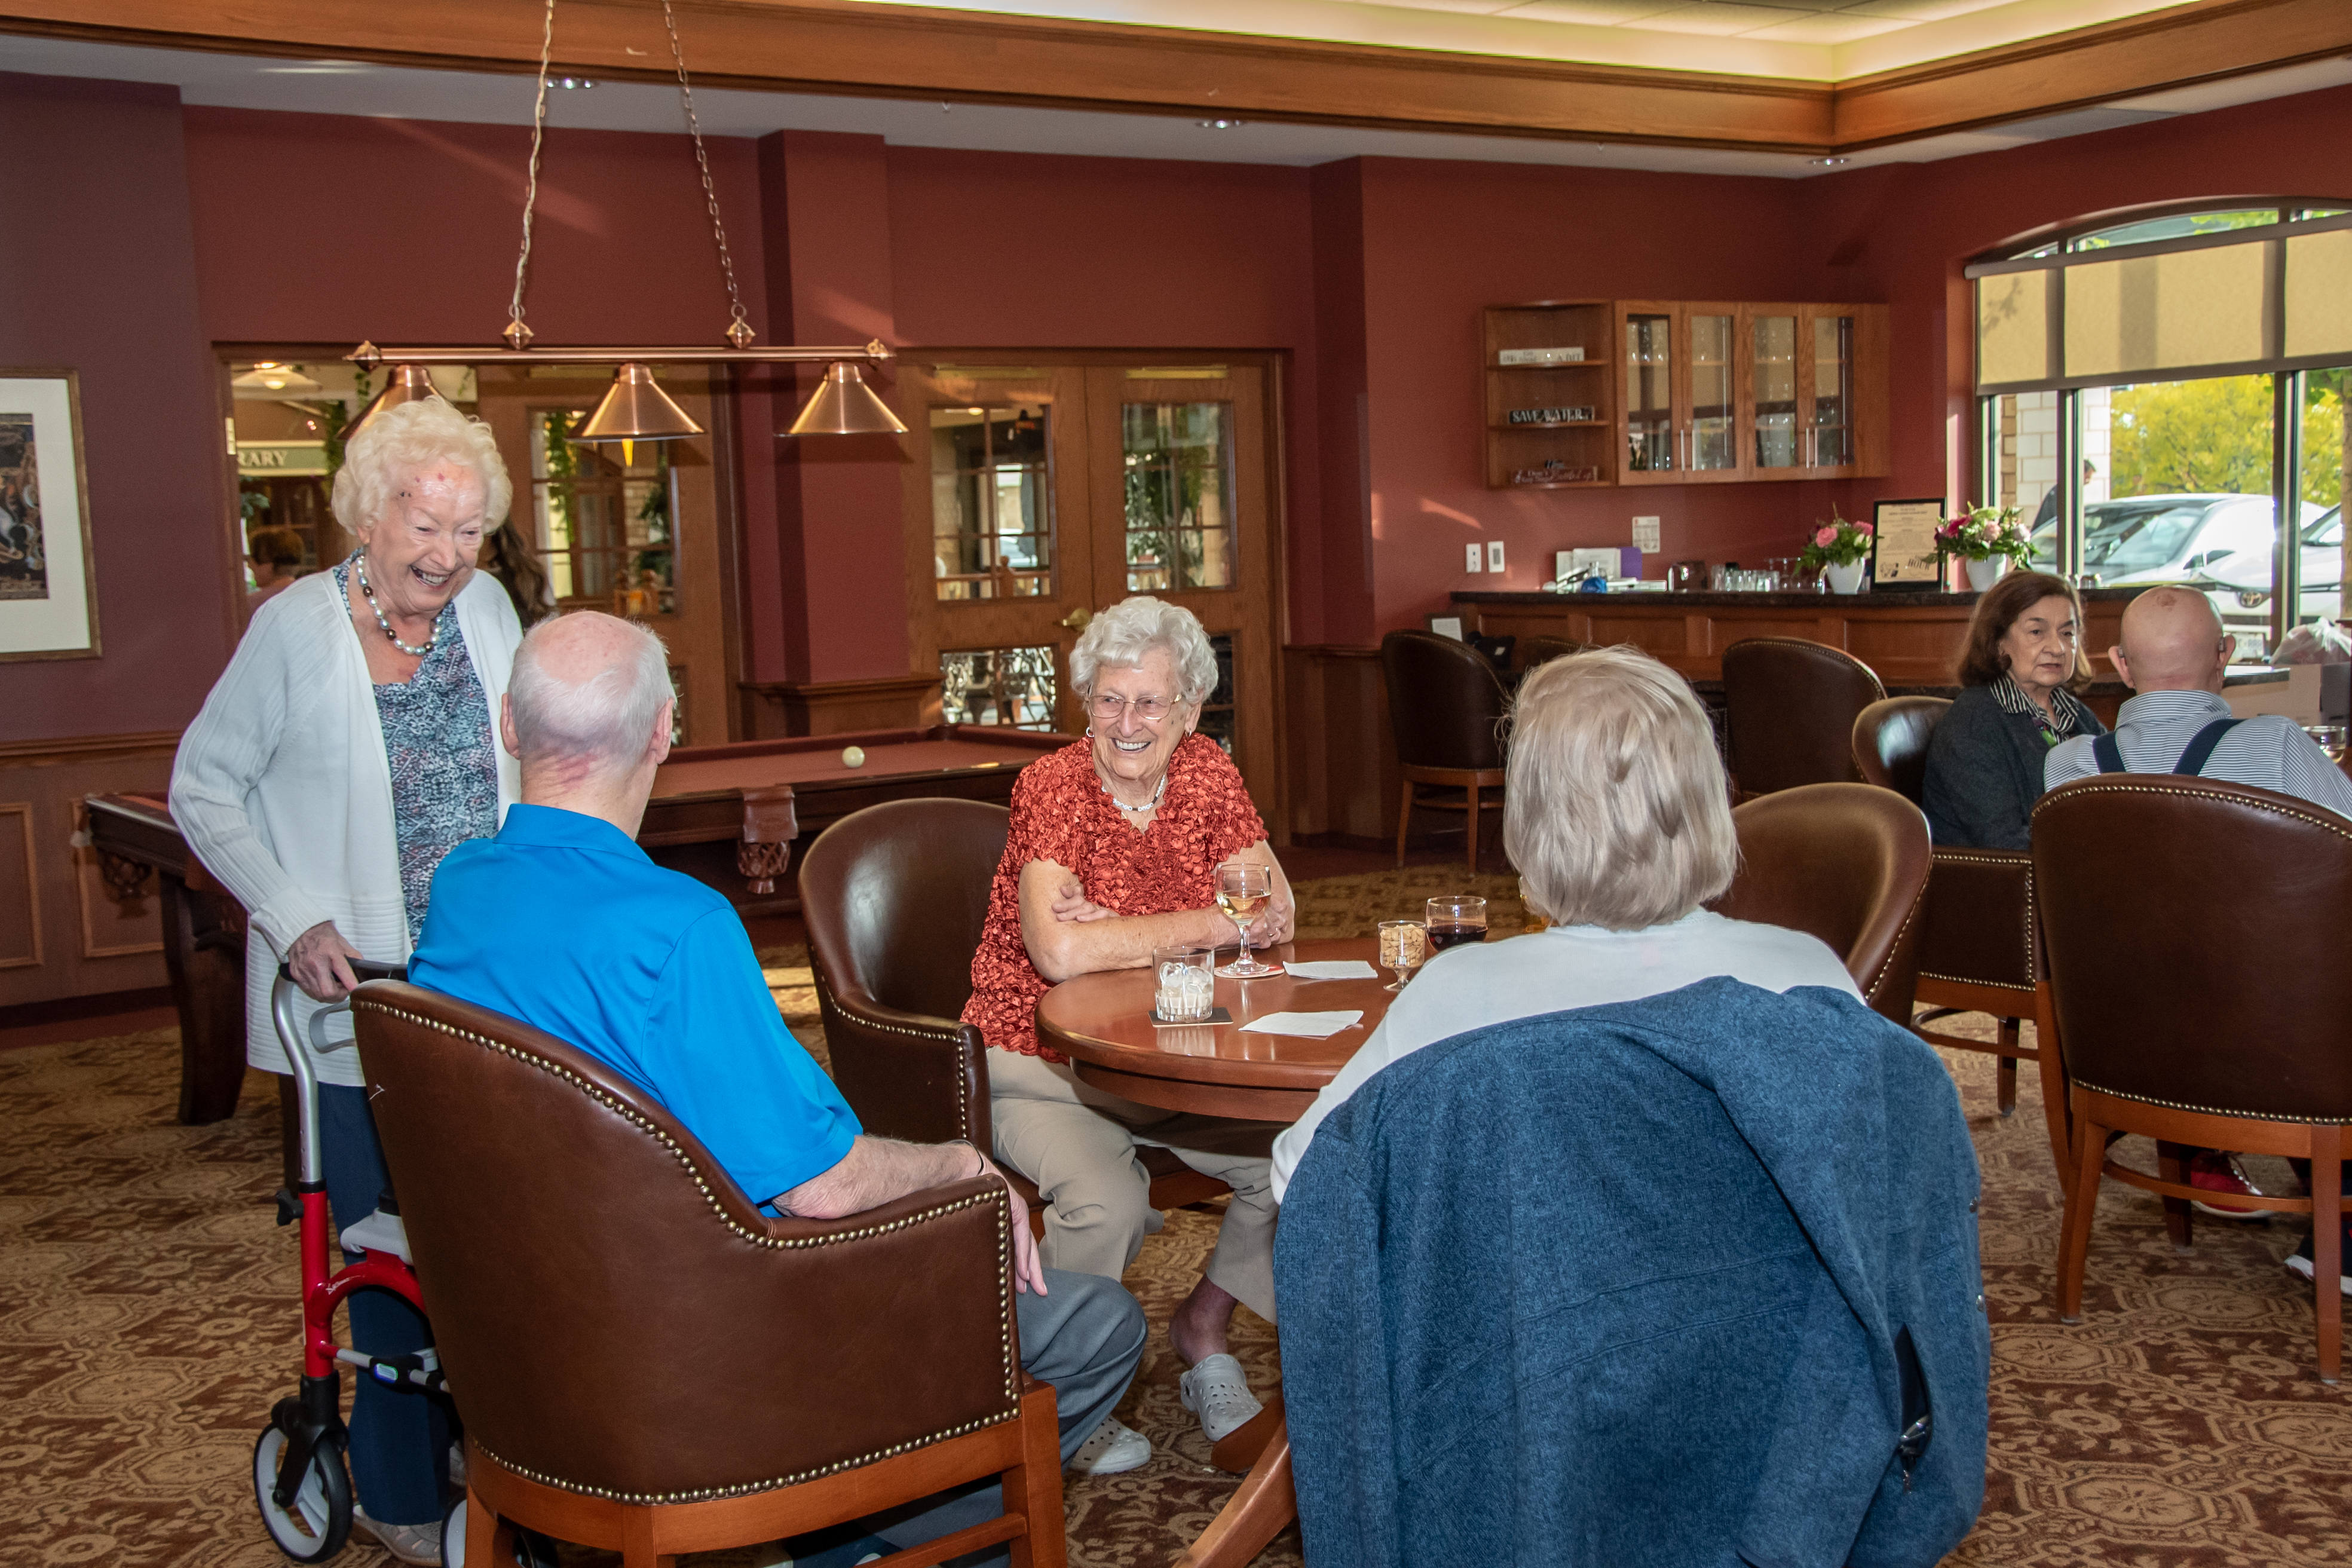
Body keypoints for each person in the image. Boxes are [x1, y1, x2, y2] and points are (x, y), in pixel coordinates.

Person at [411, 612, 1144, 1564]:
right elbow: (820, 1188)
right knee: (1099, 1323)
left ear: (508, 725)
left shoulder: (463, 884)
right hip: (720, 1322)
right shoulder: (677, 927)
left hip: (535, 1316)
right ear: (665, 731)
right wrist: (963, 1167)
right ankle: (837, 1530)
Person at [171, 396, 523, 1566]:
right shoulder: (293, 631)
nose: (446, 556)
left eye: (469, 531)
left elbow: (519, 769)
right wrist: (292, 914)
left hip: (481, 986)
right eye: (425, 526)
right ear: (366, 513)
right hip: (353, 992)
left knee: (488, 1233)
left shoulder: (487, 610)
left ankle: (506, 1449)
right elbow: (204, 788)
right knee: (382, 1241)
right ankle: (396, 1485)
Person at [1272, 644, 1862, 1199]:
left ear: (1532, 820)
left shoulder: (1459, 993)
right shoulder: (1809, 975)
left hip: (1531, 1305)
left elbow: (1301, 1172)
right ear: (1709, 797)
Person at [961, 595, 1291, 1463]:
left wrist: (1127, 929)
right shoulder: (1056, 785)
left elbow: (1279, 910)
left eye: (1151, 702)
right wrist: (1214, 921)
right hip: (1040, 1056)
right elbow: (1061, 956)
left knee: (1298, 1161)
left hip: (1173, 1053)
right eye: (1109, 699)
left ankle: (1203, 1330)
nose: (1128, 722)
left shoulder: (1209, 773)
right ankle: (1061, 1401)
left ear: (1188, 711)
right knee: (1109, 1199)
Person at [2047, 584, 2352, 1266]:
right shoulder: (2277, 745)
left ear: (2122, 665)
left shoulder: (2067, 766)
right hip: (2275, 1052)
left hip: (2121, 1045)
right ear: (2227, 654)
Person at [1920, 570, 2108, 849]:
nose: (2057, 648)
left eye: (2067, 633)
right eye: (2037, 632)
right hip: (2001, 883)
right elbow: (2004, 842)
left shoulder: (2077, 714)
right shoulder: (1975, 720)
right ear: (1999, 641)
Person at [246, 523, 306, 612]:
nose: (249, 565)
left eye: (253, 558)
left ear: (268, 564)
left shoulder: (252, 604)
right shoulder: (311, 595)